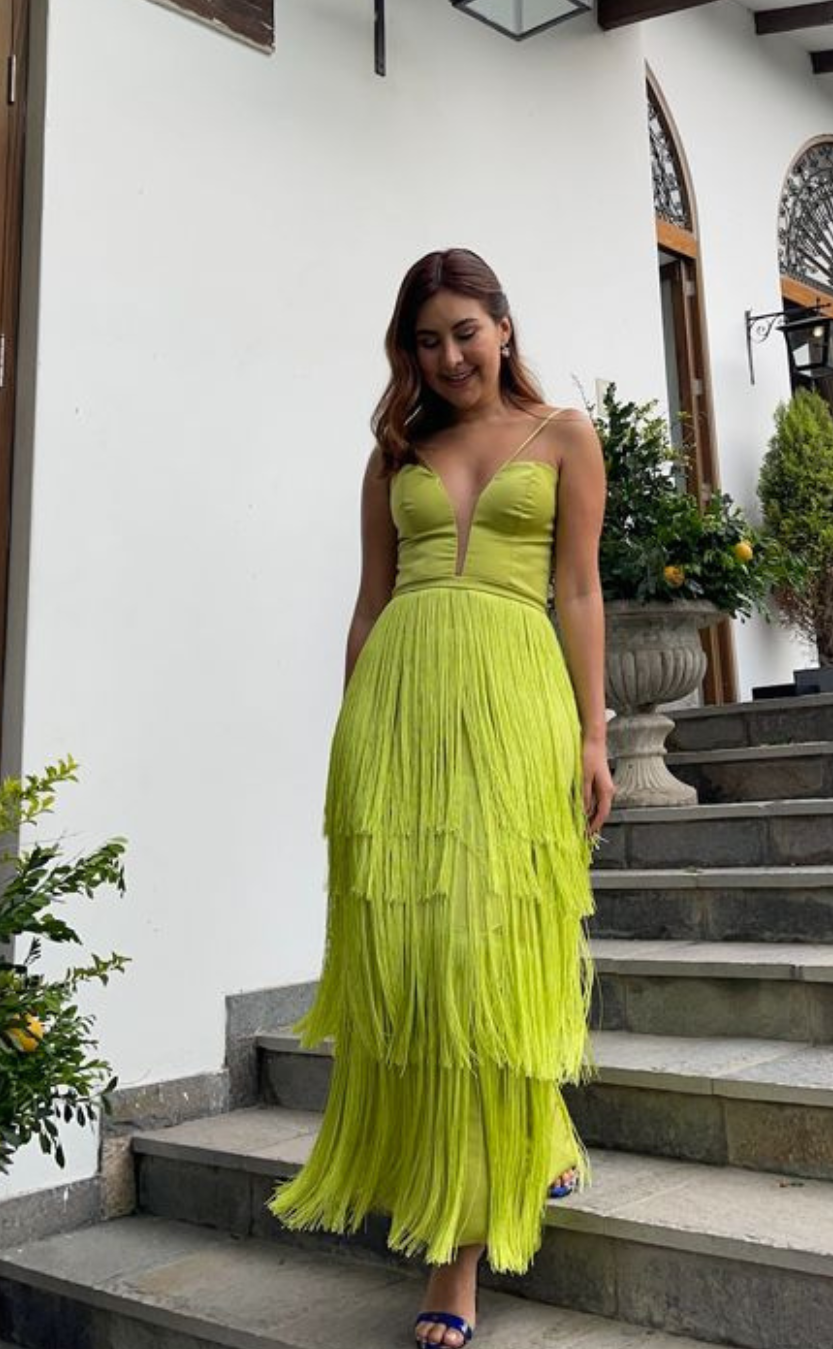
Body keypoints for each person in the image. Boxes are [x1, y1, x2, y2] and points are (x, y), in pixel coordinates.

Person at [269, 248, 613, 1348]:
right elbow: (370, 603)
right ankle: (530, 1139)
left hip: (515, 704)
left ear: (504, 326)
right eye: (427, 340)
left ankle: (453, 1255)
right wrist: (351, 730)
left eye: (466, 330)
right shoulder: (395, 453)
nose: (450, 355)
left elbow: (578, 589)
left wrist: (594, 732)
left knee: (487, 945)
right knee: (418, 959)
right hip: (401, 711)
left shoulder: (564, 434)